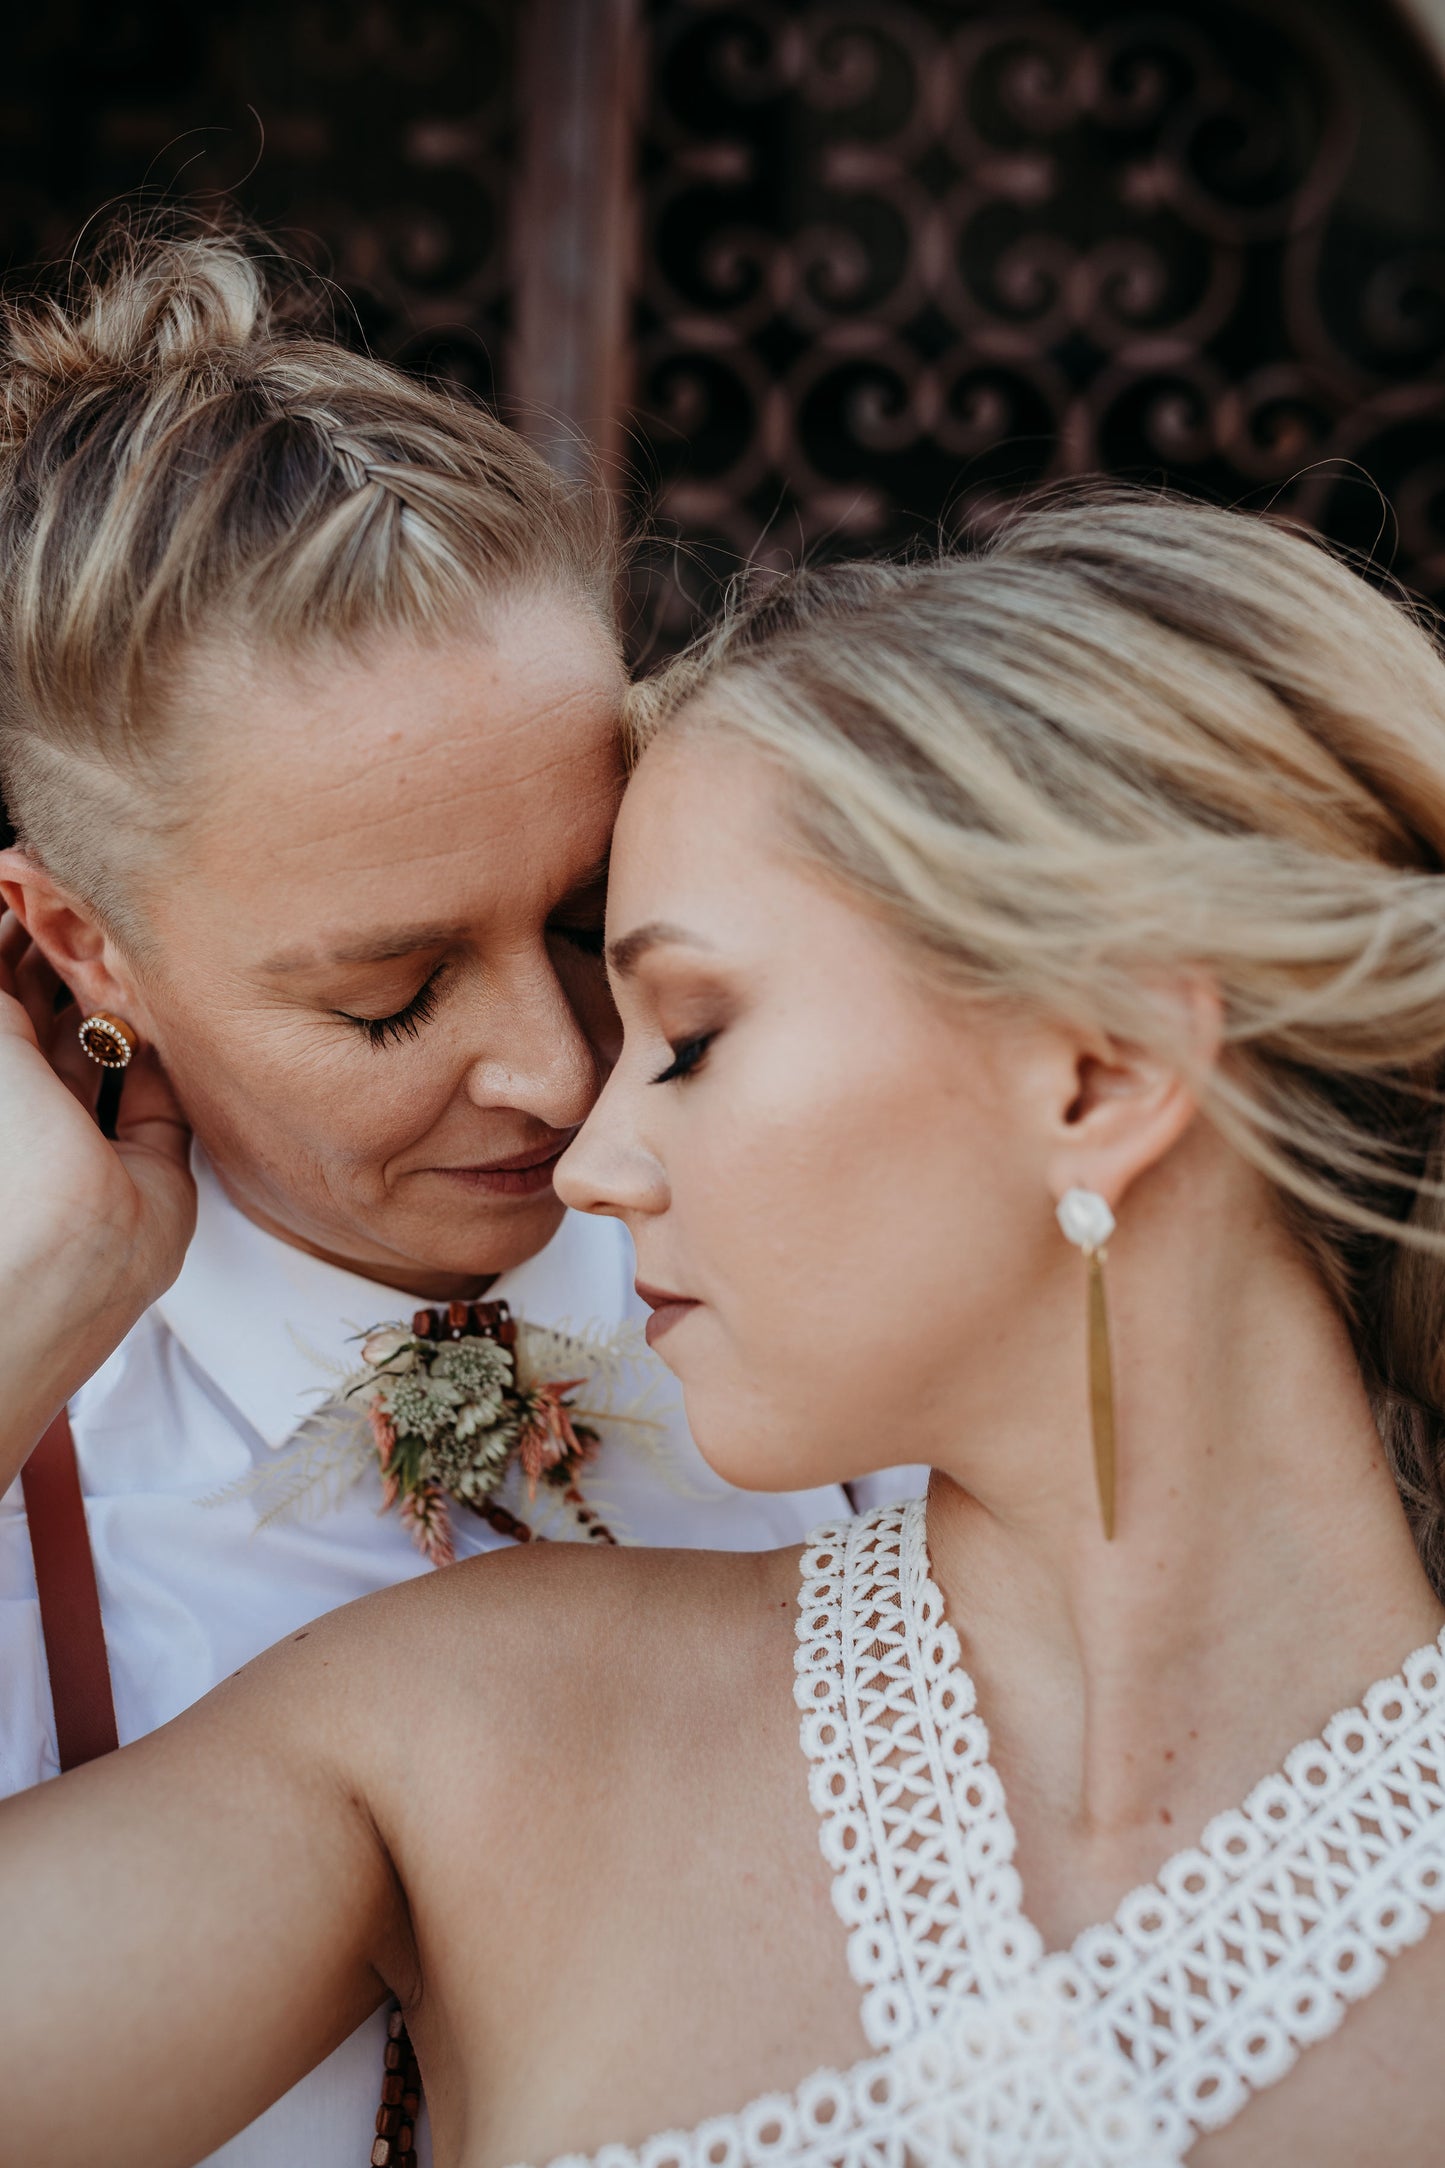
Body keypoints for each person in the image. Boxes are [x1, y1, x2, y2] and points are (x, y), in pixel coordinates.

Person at [7, 490, 1445, 2168]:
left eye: (683, 1035)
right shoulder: (452, 1725)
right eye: (389, 992)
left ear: (1098, 1075)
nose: (584, 1143)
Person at [0, 219, 916, 2168]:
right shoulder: (22, 1443)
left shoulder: (844, 1301)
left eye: (591, 914)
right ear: (82, 942)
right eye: (391, 993)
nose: (561, 1076)